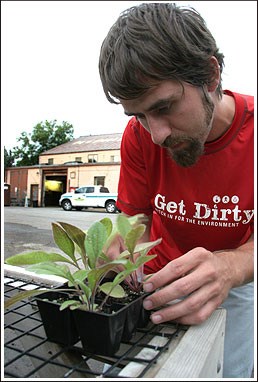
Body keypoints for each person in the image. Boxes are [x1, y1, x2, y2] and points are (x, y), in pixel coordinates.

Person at [98, 2, 254, 378]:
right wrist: (122, 245)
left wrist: (229, 265)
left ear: (210, 75)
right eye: (138, 115)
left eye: (165, 106)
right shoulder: (139, 137)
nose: (157, 134)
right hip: (154, 282)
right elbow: (135, 215)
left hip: (232, 283)